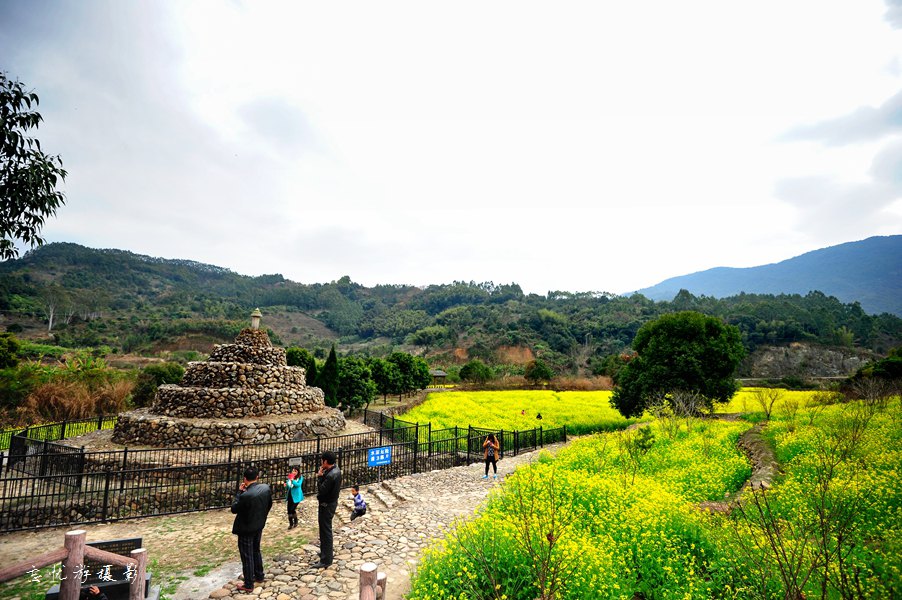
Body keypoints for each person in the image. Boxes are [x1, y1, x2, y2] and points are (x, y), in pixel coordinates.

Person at [231, 466, 273, 592]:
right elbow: (269, 504)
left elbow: (234, 508)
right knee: (256, 551)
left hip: (246, 528)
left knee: (247, 555)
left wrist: (239, 493)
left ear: (244, 479)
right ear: (257, 477)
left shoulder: (246, 495)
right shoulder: (265, 488)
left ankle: (248, 584)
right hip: (258, 525)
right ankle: (259, 575)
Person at [312, 450, 342, 568]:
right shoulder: (336, 470)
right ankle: (325, 552)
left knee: (326, 531)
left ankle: (326, 559)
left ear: (325, 461)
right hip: (331, 503)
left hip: (327, 505)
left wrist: (319, 477)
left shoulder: (330, 475)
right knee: (324, 530)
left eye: (322, 460)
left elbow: (322, 490)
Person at [285, 465, 304, 530]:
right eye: (293, 470)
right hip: (290, 495)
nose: (293, 472)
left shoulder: (300, 477)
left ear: (298, 472)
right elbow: (288, 485)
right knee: (289, 510)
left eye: (295, 471)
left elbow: (298, 485)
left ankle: (295, 521)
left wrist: (292, 480)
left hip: (297, 496)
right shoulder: (290, 476)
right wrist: (286, 484)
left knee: (292, 509)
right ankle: (291, 523)